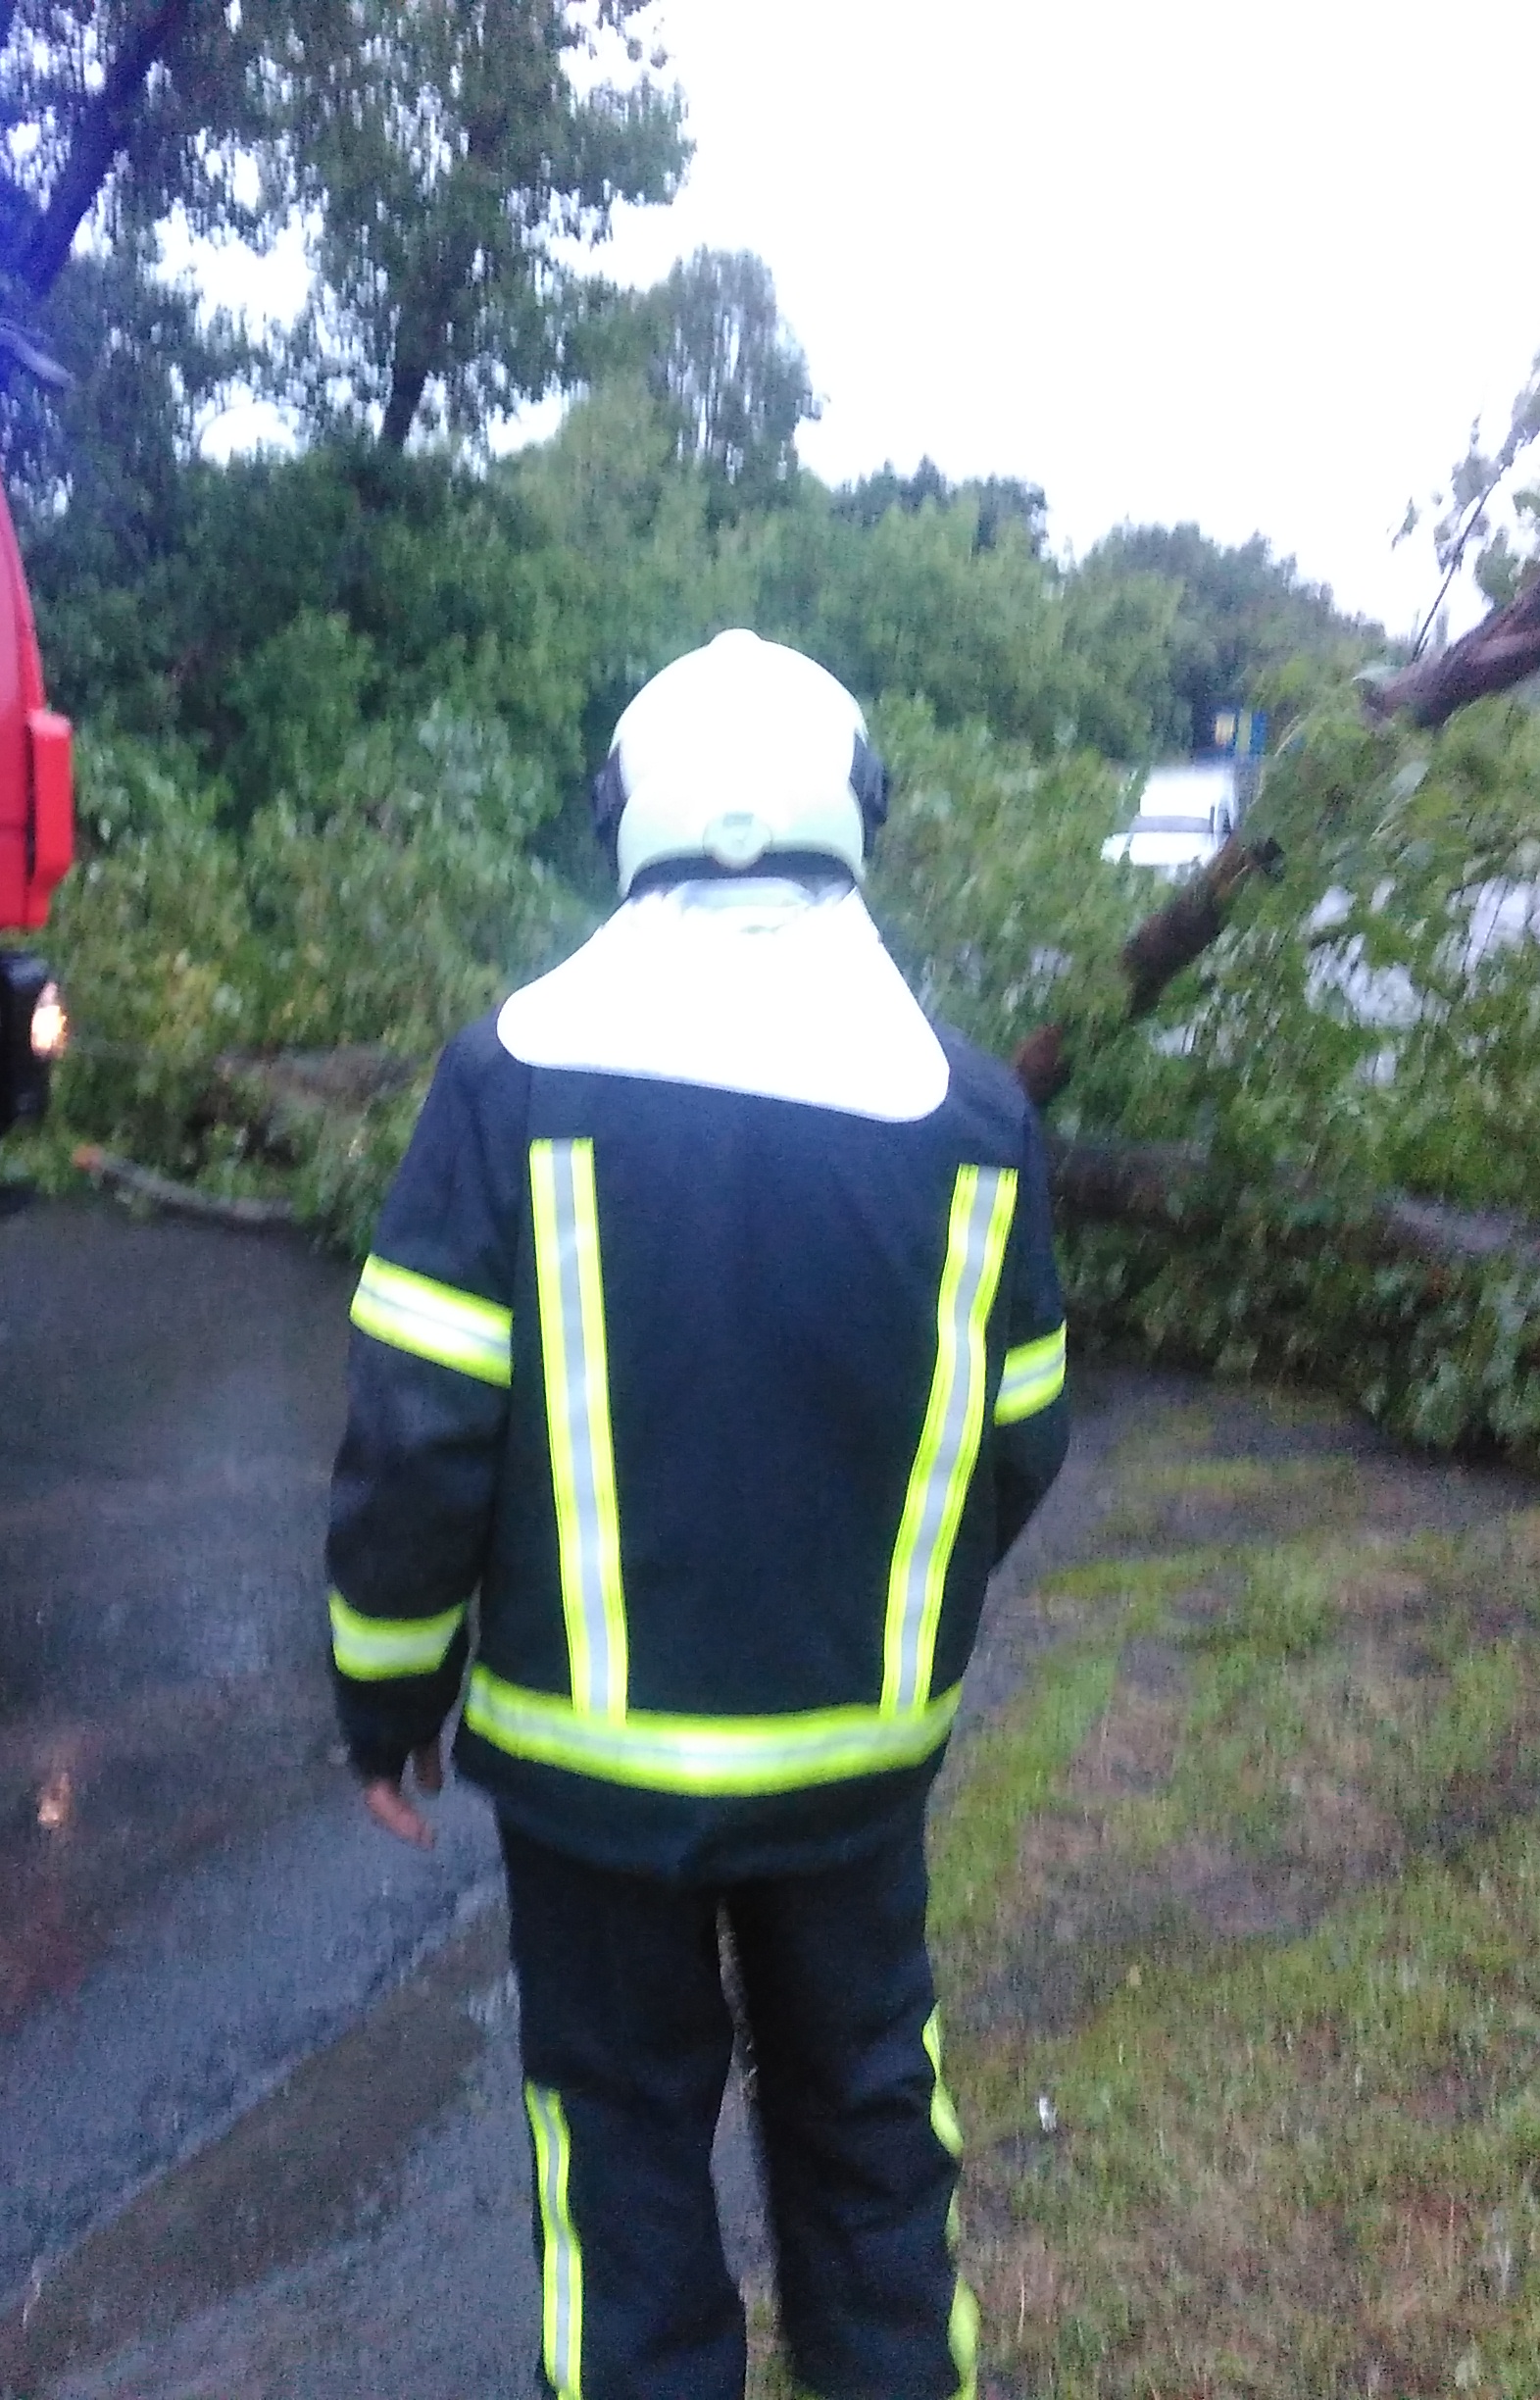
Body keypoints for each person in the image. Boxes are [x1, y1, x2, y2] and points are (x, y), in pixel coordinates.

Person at [323, 630, 1069, 2400]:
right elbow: (1018, 1443)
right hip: (849, 1775)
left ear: (627, 820)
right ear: (856, 817)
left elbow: (419, 1437)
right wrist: (885, 1633)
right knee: (875, 2142)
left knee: (625, 2175)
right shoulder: (969, 1113)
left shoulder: (507, 1081)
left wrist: (386, 1697)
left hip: (593, 1790)